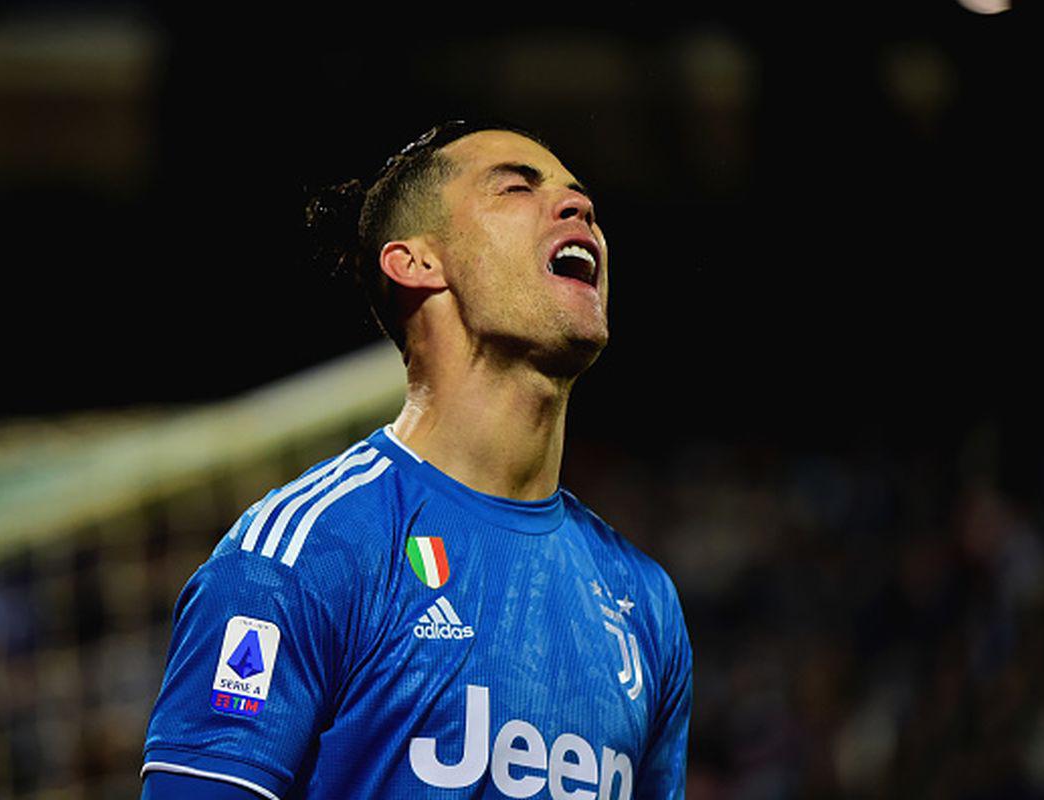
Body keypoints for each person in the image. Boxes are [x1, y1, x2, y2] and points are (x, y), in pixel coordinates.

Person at [140, 120, 691, 799]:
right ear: (416, 263)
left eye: (579, 197)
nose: (579, 207)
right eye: (517, 188)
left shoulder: (645, 601)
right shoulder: (303, 556)